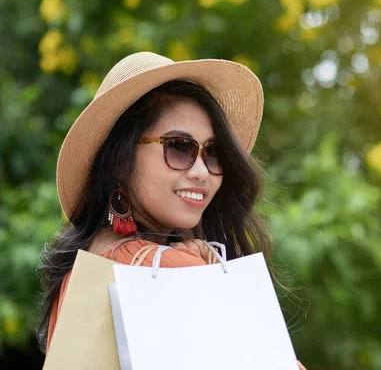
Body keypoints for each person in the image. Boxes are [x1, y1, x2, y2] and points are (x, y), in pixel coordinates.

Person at [37, 51, 306, 370]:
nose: (201, 172)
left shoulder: (82, 273)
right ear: (120, 161)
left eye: (214, 152)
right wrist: (195, 270)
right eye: (179, 147)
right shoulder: (168, 270)